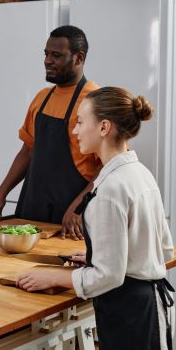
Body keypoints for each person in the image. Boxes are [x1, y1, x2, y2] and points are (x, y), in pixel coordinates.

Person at [17, 87, 174, 350]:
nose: (75, 131)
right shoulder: (140, 173)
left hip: (130, 315)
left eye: (79, 122)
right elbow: (165, 250)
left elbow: (108, 277)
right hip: (149, 310)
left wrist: (54, 277)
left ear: (104, 127)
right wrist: (99, 254)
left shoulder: (111, 188)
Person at [0, 25, 101, 239]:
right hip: (33, 209)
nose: (47, 60)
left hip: (71, 221)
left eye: (56, 55)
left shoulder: (96, 102)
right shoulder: (42, 98)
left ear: (79, 58)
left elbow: (109, 168)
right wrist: (2, 192)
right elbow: (28, 151)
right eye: (46, 54)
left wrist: (78, 208)